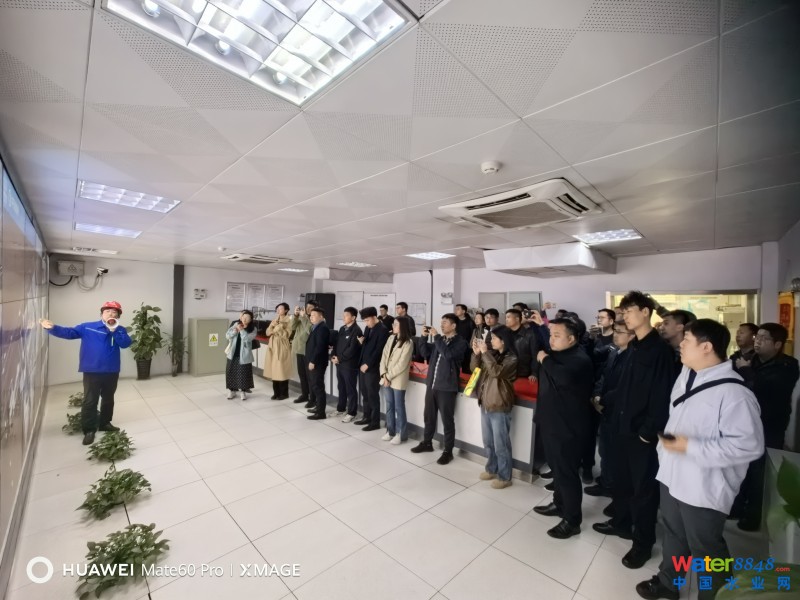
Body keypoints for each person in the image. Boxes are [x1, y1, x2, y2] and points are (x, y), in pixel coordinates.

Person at [635, 319, 763, 600]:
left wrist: (691, 447)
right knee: (674, 533)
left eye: (687, 340)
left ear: (706, 347)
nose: (680, 344)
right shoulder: (687, 374)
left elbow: (749, 447)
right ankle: (669, 582)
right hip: (672, 474)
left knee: (706, 548)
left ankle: (714, 595)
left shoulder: (735, 393)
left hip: (704, 485)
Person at [598, 291, 675, 569]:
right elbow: (626, 387)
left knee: (643, 491)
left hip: (641, 434)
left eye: (629, 311)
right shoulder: (634, 347)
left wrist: (647, 431)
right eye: (623, 312)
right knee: (622, 482)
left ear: (645, 312)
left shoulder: (659, 351)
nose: (625, 317)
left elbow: (661, 395)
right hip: (621, 427)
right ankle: (621, 524)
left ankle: (642, 544)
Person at [532, 318, 595, 539]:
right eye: (551, 335)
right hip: (551, 422)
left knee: (567, 473)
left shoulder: (579, 359)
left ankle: (572, 520)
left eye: (557, 335)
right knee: (557, 470)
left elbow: (563, 378)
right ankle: (559, 504)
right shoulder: (556, 355)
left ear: (572, 338)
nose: (552, 339)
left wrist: (544, 358)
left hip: (568, 427)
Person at [733, 322, 799, 531]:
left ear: (777, 344)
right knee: (741, 466)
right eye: (757, 337)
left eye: (764, 338)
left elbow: (765, 390)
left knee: (759, 473)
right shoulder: (749, 359)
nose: (758, 341)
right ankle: (737, 507)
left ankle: (754, 516)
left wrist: (745, 371)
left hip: (769, 425)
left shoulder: (788, 365)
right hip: (745, 423)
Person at [40, 301, 131, 445]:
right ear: (101, 314)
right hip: (92, 370)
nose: (111, 314)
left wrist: (114, 331)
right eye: (107, 311)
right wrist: (52, 328)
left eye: (114, 312)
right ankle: (89, 430)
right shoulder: (87, 327)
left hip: (112, 370)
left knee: (108, 399)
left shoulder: (120, 330)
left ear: (118, 316)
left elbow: (125, 344)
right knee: (90, 400)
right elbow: (69, 333)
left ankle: (105, 423)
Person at [585, 321, 635, 499]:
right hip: (605, 407)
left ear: (632, 336)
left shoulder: (633, 358)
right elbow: (604, 377)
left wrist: (603, 400)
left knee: (614, 451)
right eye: (615, 331)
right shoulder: (614, 352)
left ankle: (612, 486)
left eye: (620, 332)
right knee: (605, 448)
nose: (615, 335)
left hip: (618, 409)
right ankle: (606, 480)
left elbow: (625, 387)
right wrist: (597, 395)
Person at [411, 314, 469, 465]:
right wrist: (423, 338)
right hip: (432, 384)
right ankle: (427, 442)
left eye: (445, 322)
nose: (442, 325)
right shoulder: (441, 340)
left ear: (454, 326)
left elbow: (448, 355)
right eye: (441, 322)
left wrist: (436, 337)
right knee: (429, 416)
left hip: (447, 387)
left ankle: (448, 451)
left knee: (447, 420)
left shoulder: (461, 342)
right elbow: (425, 353)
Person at [471, 325, 518, 489]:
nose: (491, 341)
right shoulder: (493, 354)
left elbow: (496, 372)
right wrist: (477, 354)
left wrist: (485, 353)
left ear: (503, 341)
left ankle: (505, 477)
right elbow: (474, 369)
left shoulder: (511, 358)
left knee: (501, 444)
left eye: (495, 338)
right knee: (488, 442)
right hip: (485, 402)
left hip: (499, 404)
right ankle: (491, 469)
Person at [380, 316, 414, 444]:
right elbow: (384, 357)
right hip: (386, 377)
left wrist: (388, 376)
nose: (393, 326)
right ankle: (390, 431)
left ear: (402, 326)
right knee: (389, 406)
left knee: (399, 407)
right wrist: (384, 374)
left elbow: (402, 364)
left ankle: (401, 434)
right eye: (393, 324)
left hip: (397, 379)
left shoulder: (408, 342)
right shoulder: (390, 338)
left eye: (395, 324)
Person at [356, 307, 390, 431]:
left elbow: (379, 351)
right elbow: (367, 345)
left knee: (372, 395)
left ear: (374, 317)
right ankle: (366, 417)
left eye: (367, 320)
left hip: (373, 368)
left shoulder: (383, 330)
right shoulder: (368, 328)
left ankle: (375, 422)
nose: (366, 323)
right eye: (364, 321)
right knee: (364, 393)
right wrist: (361, 342)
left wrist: (368, 364)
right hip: (363, 365)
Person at [331, 307, 362, 422]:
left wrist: (340, 358)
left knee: (350, 389)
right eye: (343, 315)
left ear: (353, 317)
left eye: (346, 315)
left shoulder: (357, 330)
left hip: (349, 365)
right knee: (341, 387)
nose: (343, 317)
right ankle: (341, 408)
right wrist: (333, 356)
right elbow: (336, 344)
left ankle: (352, 412)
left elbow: (352, 349)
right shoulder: (342, 329)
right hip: (339, 363)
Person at [225, 310, 257, 402]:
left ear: (251, 319)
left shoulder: (253, 329)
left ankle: (243, 392)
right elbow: (227, 336)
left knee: (243, 374)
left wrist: (242, 330)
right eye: (243, 317)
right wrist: (235, 330)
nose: (244, 319)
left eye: (247, 317)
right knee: (231, 372)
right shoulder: (236, 324)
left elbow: (247, 339)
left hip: (244, 355)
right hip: (233, 353)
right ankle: (232, 391)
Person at [305, 307, 330, 420]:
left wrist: (313, 361)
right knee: (315, 386)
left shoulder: (322, 328)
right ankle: (318, 407)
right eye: (310, 315)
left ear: (321, 316)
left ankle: (321, 413)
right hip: (313, 361)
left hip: (317, 363)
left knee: (318, 387)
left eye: (314, 315)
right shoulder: (315, 327)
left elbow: (319, 347)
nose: (311, 317)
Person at [291, 300, 317, 405]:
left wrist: (303, 317)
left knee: (310, 376)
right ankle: (304, 394)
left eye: (311, 308)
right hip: (299, 350)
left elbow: (309, 330)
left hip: (308, 351)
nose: (308, 309)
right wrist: (295, 315)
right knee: (302, 374)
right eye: (307, 307)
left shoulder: (315, 319)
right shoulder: (302, 317)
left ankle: (313, 398)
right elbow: (292, 327)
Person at [266, 303, 292, 400]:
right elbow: (267, 332)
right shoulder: (275, 319)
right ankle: (276, 393)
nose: (278, 310)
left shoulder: (289, 320)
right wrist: (273, 327)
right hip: (273, 345)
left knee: (282, 369)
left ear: (286, 310)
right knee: (274, 370)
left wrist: (277, 328)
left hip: (282, 345)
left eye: (281, 308)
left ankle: (284, 393)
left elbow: (287, 334)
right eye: (277, 308)